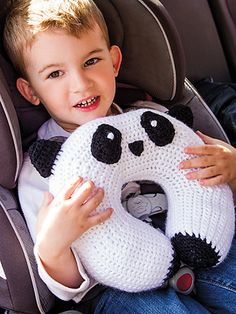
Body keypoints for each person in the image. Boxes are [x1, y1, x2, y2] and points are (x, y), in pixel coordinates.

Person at [3, 0, 236, 313]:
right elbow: (70, 288)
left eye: (91, 61)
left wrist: (231, 171)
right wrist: (54, 246)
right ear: (31, 91)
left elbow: (216, 199)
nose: (81, 84)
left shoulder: (156, 120)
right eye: (56, 73)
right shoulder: (44, 170)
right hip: (118, 289)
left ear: (113, 62)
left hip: (204, 246)